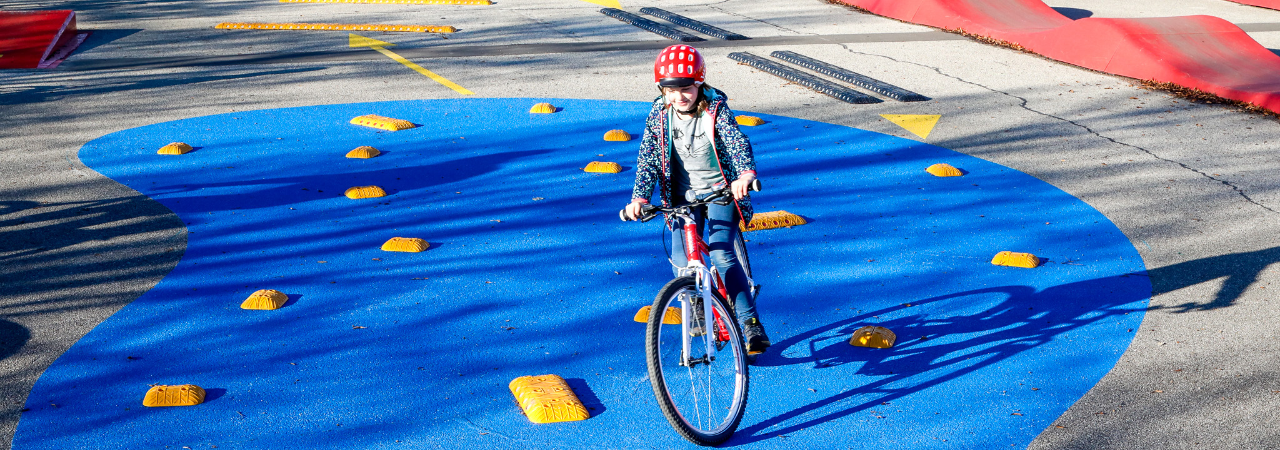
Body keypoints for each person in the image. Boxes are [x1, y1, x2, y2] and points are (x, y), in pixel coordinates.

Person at [625, 44, 771, 355]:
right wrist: (639, 198)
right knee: (682, 262)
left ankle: (749, 322)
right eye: (671, 90)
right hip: (681, 198)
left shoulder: (715, 110)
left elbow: (735, 143)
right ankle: (700, 310)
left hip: (721, 192)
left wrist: (744, 176)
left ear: (700, 84)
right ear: (661, 90)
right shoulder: (659, 116)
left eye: (687, 88)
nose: (679, 96)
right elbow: (648, 160)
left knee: (721, 254)